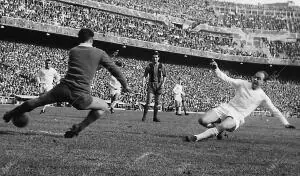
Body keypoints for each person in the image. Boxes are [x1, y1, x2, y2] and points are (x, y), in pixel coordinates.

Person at [3, 28, 130, 138]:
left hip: (62, 88)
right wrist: (125, 85)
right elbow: (115, 70)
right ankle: (78, 128)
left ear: (79, 39)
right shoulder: (99, 53)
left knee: (38, 101)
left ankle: (11, 113)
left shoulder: (73, 51)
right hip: (79, 94)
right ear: (92, 39)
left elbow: (85, 67)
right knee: (103, 106)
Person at [185, 60, 296, 142]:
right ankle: (217, 132)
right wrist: (216, 69)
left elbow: (275, 110)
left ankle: (196, 137)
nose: (255, 79)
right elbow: (227, 79)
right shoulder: (243, 83)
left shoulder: (263, 97)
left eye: (259, 78)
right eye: (254, 77)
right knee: (202, 120)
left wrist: (286, 123)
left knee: (222, 126)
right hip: (226, 108)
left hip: (237, 116)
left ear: (264, 82)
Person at [142, 52, 166, 122]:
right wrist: (143, 82)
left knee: (157, 103)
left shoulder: (162, 66)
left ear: (158, 58)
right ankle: (144, 117)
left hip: (159, 85)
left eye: (156, 57)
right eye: (154, 57)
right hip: (151, 85)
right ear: (152, 58)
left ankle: (155, 117)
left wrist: (163, 83)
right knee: (148, 102)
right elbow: (145, 75)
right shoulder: (149, 66)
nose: (155, 59)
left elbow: (165, 76)